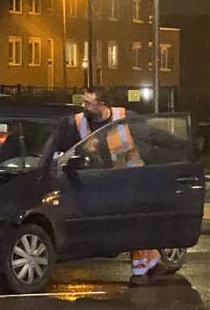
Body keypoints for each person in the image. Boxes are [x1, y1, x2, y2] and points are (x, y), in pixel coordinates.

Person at [55, 85, 175, 286]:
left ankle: (139, 272)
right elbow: (64, 145)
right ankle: (154, 261)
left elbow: (154, 135)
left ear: (102, 104)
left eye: (88, 103)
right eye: (83, 101)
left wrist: (182, 144)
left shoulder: (125, 118)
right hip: (101, 182)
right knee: (120, 226)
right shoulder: (78, 122)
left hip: (131, 179)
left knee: (134, 222)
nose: (84, 106)